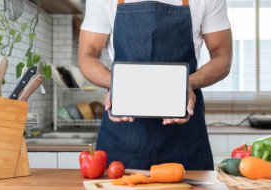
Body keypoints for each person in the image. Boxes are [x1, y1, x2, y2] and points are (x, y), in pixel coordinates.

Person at [79, 0, 232, 170]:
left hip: (184, 137)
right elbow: (87, 56)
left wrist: (185, 84)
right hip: (123, 136)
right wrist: (118, 84)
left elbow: (223, 57)